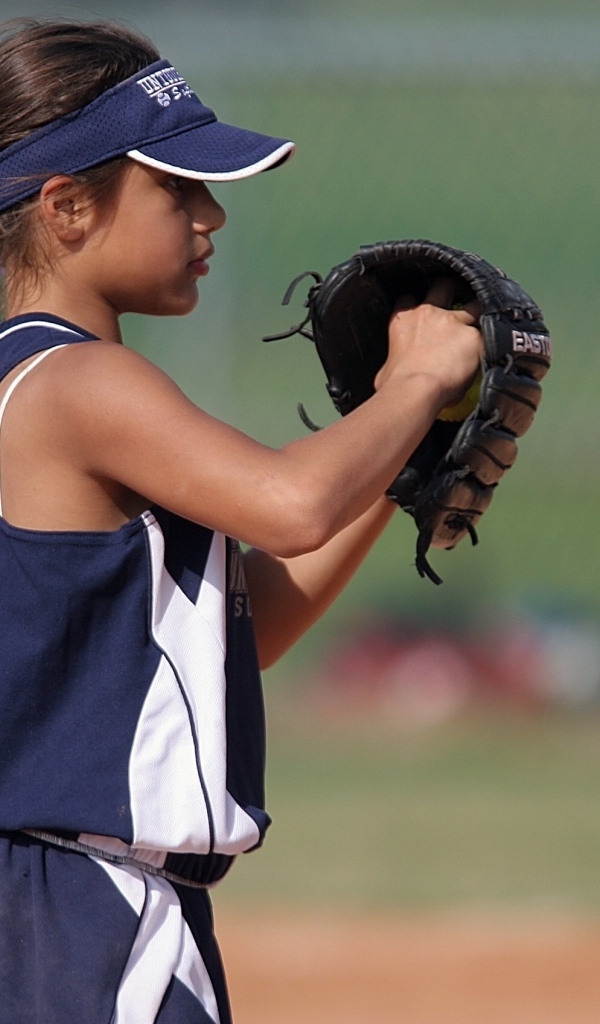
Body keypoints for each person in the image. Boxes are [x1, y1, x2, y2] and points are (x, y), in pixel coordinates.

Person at [0, 17, 482, 1024]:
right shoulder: (81, 382)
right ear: (67, 206)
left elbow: (230, 629)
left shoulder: (33, 379)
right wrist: (415, 382)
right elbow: (291, 504)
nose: (210, 214)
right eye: (177, 189)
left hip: (63, 907)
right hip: (80, 916)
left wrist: (399, 456)